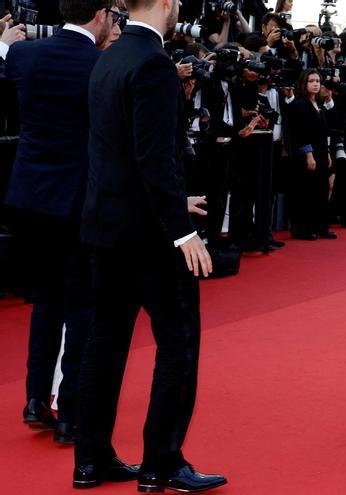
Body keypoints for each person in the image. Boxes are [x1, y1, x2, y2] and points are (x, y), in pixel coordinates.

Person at [75, 0, 226, 490]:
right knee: (178, 342)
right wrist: (182, 230)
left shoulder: (108, 59)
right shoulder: (154, 64)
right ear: (165, 4)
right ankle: (161, 461)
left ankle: (91, 460)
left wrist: (176, 200)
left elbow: (117, 151)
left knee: (105, 344)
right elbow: (154, 155)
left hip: (105, 229)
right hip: (152, 239)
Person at [5, 0, 120, 446]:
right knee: (81, 307)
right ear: (100, 16)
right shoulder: (101, 65)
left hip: (31, 198)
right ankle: (70, 412)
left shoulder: (24, 55)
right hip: (79, 201)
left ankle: (35, 399)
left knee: (45, 301)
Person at [285, 69, 337, 241]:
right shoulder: (298, 105)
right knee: (305, 191)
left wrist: (327, 152)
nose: (316, 84)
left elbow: (323, 132)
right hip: (305, 154)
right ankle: (302, 228)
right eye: (311, 81)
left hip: (321, 152)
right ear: (303, 83)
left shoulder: (319, 105)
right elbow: (299, 132)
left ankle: (320, 226)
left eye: (318, 81)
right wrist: (308, 154)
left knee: (321, 190)